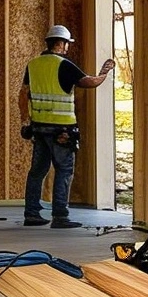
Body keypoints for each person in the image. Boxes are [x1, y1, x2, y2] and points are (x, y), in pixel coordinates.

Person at [19, 22, 115, 230]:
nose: (67, 47)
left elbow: (23, 93)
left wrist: (24, 120)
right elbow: (88, 82)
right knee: (64, 170)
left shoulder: (33, 64)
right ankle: (60, 216)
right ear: (62, 44)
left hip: (39, 127)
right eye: (67, 44)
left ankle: (31, 214)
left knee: (37, 171)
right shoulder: (64, 64)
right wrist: (104, 73)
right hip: (62, 129)